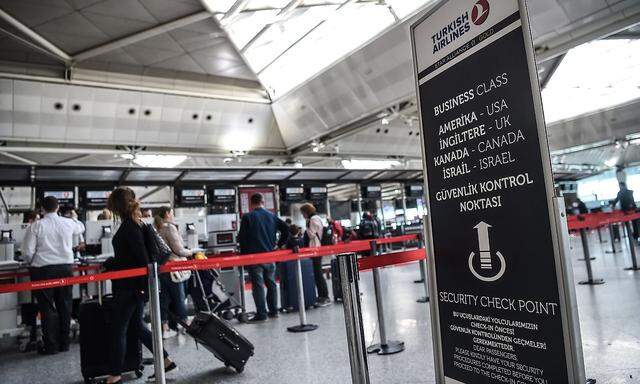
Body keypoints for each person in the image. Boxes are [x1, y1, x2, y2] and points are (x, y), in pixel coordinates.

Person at [103, 188, 176, 384]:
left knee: (119, 329)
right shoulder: (135, 225)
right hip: (135, 288)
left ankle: (114, 375)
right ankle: (166, 359)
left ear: (117, 206)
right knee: (136, 326)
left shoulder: (130, 227)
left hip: (130, 288)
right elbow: (134, 257)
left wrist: (111, 263)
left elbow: (140, 260)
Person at [22, 197, 84, 355]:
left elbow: (27, 252)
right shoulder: (68, 223)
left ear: (42, 209)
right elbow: (81, 227)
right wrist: (74, 218)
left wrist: (31, 262)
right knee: (65, 306)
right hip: (65, 268)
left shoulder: (36, 226)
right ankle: (65, 343)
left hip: (43, 270)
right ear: (57, 208)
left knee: (47, 307)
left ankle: (51, 346)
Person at [238, 193, 289, 323]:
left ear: (251, 203)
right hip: (270, 256)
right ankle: (274, 311)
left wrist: (244, 258)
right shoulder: (272, 216)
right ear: (263, 202)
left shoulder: (247, 217)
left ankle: (262, 314)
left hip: (254, 258)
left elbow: (242, 239)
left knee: (258, 286)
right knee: (271, 284)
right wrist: (279, 245)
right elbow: (286, 229)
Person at [153, 207, 190, 339]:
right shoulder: (169, 228)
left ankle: (165, 328)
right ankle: (185, 325)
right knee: (180, 297)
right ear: (167, 214)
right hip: (175, 269)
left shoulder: (155, 228)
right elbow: (178, 250)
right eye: (172, 213)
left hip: (162, 269)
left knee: (164, 299)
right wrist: (192, 251)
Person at [300, 203, 331, 307]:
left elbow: (312, 235)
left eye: (302, 213)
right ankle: (322, 295)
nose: (302, 215)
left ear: (306, 212)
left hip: (315, 249)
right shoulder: (316, 218)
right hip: (316, 249)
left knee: (318, 274)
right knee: (317, 273)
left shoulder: (312, 219)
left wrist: (307, 226)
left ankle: (325, 296)